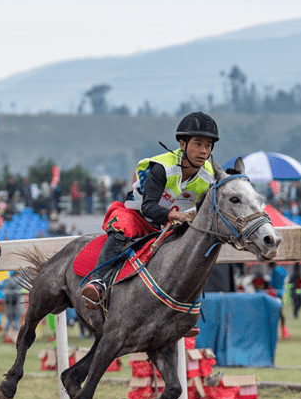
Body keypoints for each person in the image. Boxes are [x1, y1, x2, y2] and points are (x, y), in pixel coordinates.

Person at [81, 111, 219, 309]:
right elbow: (148, 208)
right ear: (182, 144)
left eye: (208, 145)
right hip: (139, 216)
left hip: (171, 225)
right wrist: (177, 215)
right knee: (122, 224)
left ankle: (187, 305)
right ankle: (98, 282)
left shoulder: (210, 177)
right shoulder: (162, 168)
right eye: (198, 143)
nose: (203, 151)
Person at [267, 261, 289, 339]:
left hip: (274, 294)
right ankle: (283, 331)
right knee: (280, 313)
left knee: (274, 313)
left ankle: (276, 333)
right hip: (281, 293)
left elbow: (272, 284)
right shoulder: (282, 269)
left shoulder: (275, 270)